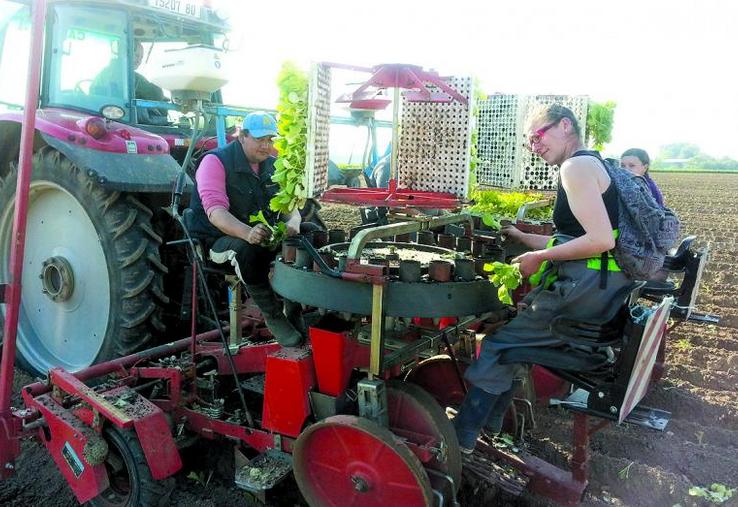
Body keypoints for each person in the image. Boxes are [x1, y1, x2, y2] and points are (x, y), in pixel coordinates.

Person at [453, 104, 632, 453]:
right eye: (529, 142)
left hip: (581, 289)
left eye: (538, 135)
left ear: (565, 125)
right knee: (517, 345)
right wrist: (521, 235)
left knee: (497, 345)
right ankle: (490, 424)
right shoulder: (594, 163)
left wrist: (540, 256)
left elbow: (600, 241)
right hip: (599, 286)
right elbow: (577, 240)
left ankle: (461, 439)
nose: (534, 146)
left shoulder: (575, 167)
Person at [186, 112, 304, 347]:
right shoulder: (215, 161)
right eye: (260, 139)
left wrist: (294, 222)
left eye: (270, 140)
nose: (266, 145)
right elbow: (216, 214)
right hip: (218, 240)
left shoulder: (273, 165)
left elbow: (289, 206)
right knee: (249, 251)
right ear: (242, 136)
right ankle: (274, 316)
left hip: (262, 234)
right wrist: (247, 233)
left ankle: (293, 306)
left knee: (308, 234)